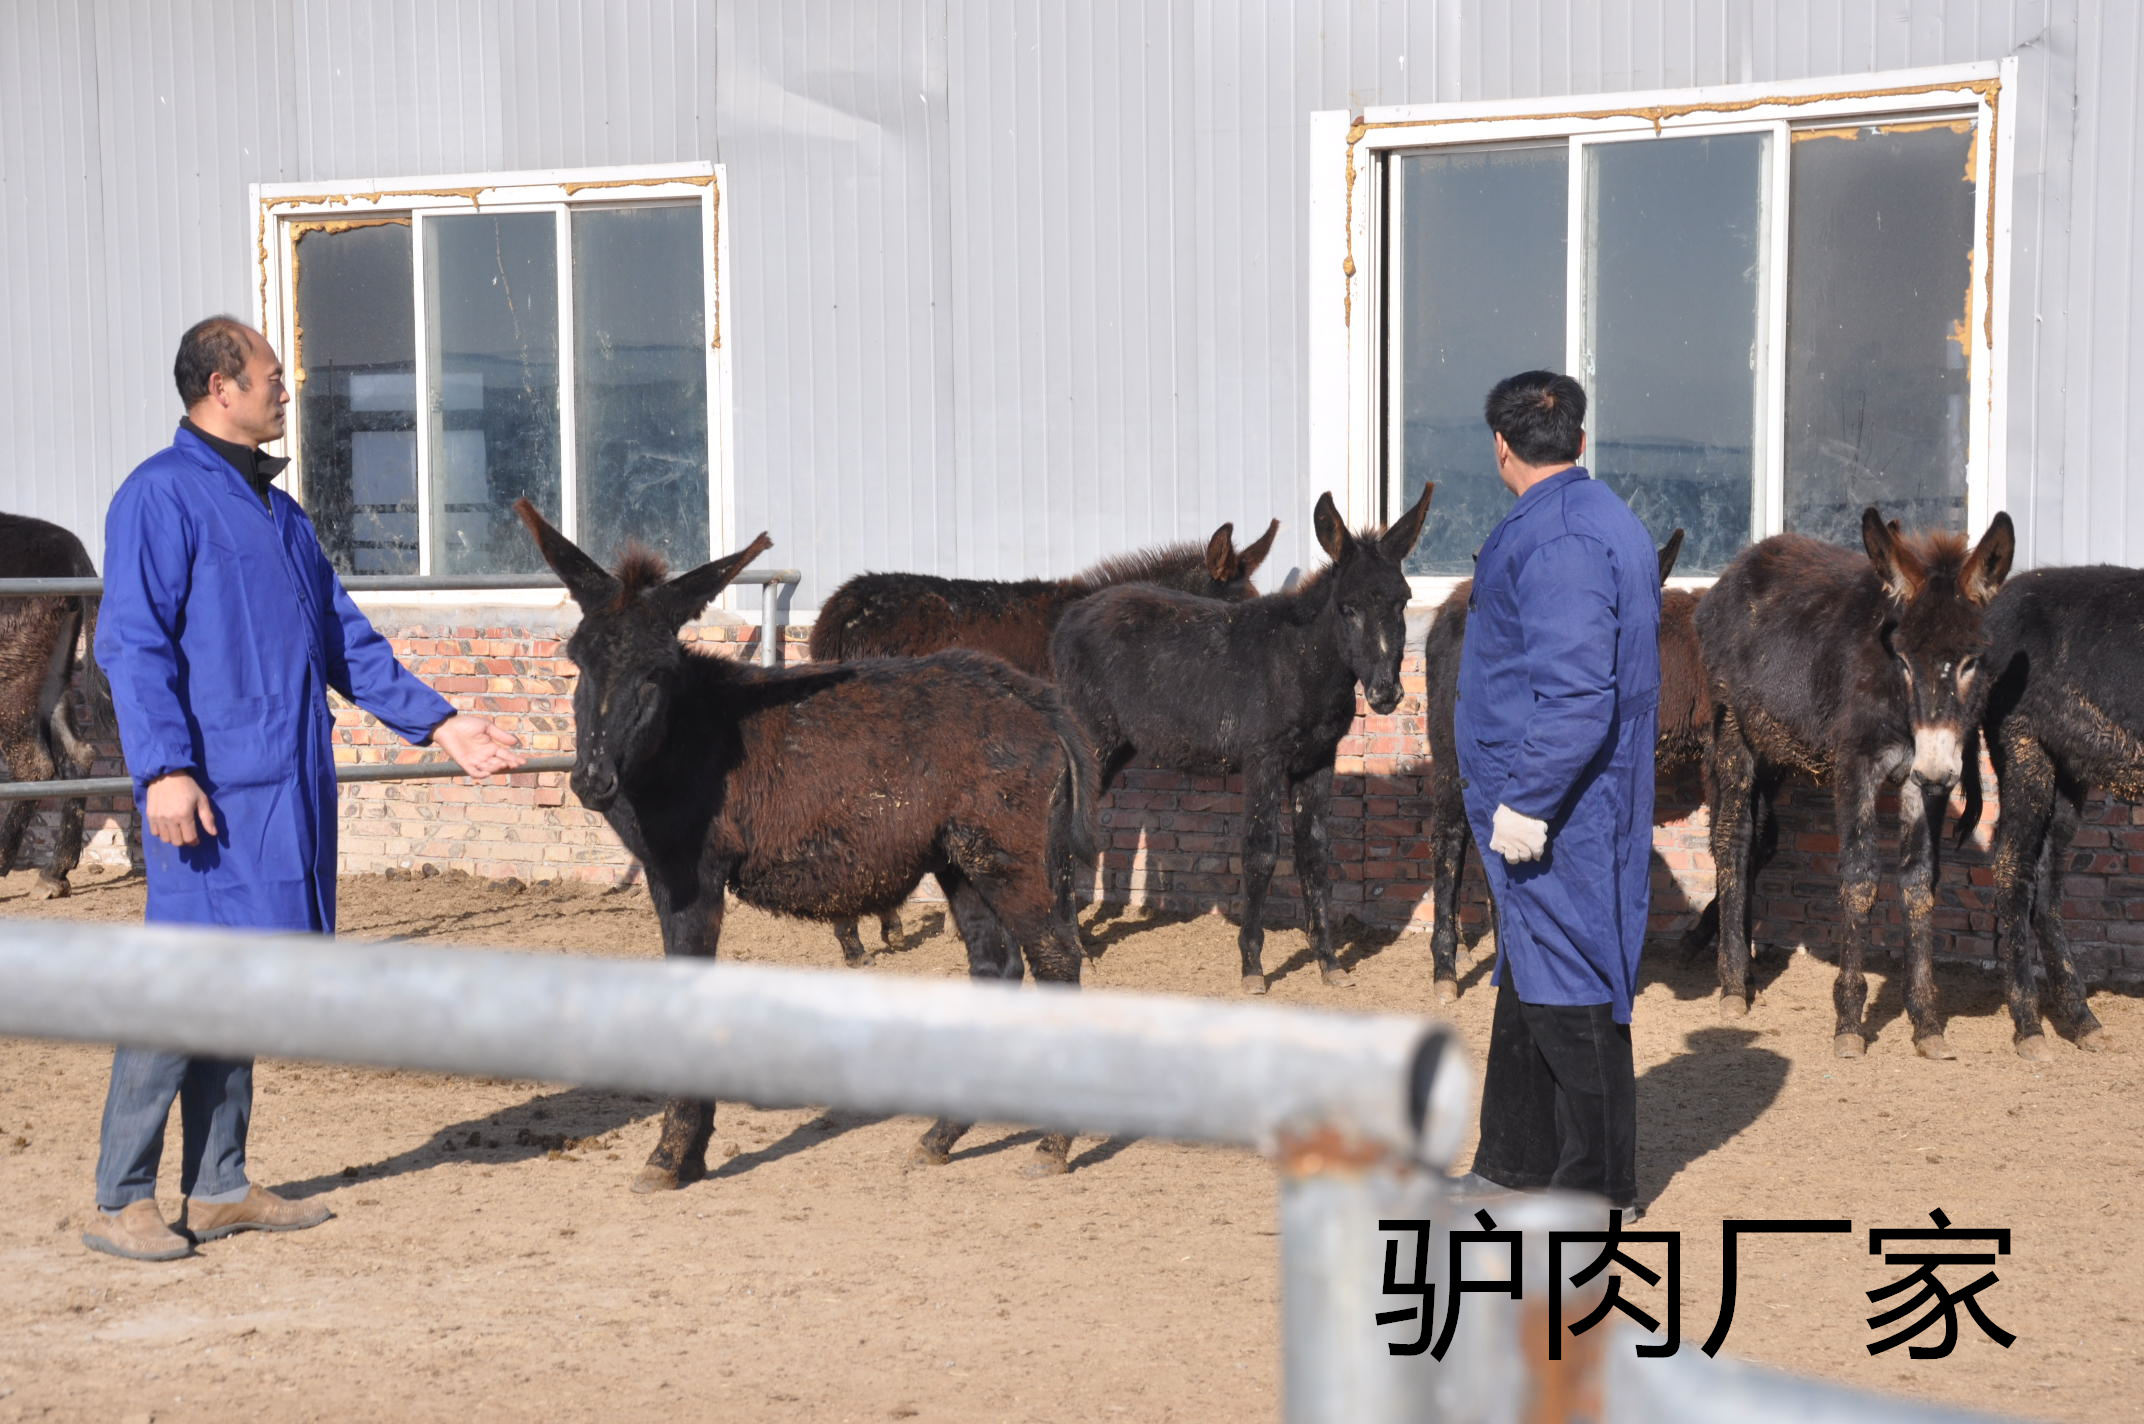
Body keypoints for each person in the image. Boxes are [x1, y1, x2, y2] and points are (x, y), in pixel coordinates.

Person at [83, 316, 525, 1261]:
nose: (288, 390)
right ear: (219, 387)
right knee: (181, 985)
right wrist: (163, 768)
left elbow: (344, 642)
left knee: (241, 985)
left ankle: (218, 1184)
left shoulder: (279, 516)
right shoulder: (160, 497)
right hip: (206, 792)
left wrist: (442, 722)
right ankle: (122, 1199)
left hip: (283, 787)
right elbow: (130, 642)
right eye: (273, 376)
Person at [1453, 371, 1660, 1216]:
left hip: (1560, 800)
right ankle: (1511, 1159)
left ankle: (1599, 1191)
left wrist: (1526, 805)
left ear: (1501, 447)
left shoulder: (1562, 539)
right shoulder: (1593, 514)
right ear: (1579, 439)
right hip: (1574, 790)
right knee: (1533, 966)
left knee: (1572, 978)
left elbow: (1578, 696)